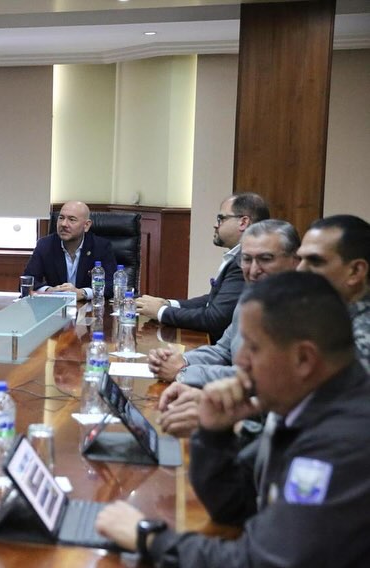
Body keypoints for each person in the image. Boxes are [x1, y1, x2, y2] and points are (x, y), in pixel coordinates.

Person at [96, 272, 370, 566]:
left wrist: (150, 538)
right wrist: (215, 434)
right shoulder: (305, 407)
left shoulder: (344, 441)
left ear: (304, 359)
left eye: (253, 348)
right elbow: (236, 507)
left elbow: (263, 561)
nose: (239, 361)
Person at [152, 220, 300, 437]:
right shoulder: (251, 298)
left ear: (295, 261)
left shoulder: (303, 311)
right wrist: (182, 360)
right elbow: (223, 350)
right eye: (247, 259)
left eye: (266, 259)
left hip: (268, 431)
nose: (253, 270)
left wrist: (183, 372)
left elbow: (258, 378)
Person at [137, 193, 269, 343]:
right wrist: (168, 304)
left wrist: (161, 312)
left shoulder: (244, 263)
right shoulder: (238, 257)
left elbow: (215, 318)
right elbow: (212, 300)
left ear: (243, 222)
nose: (215, 224)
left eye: (221, 219)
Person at [297, 214, 369, 373]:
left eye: (315, 261)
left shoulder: (361, 339)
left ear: (356, 271)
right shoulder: (332, 318)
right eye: (300, 259)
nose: (300, 270)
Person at [22, 201, 117, 302]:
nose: (64, 224)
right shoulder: (45, 245)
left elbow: (112, 285)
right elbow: (27, 282)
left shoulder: (101, 247)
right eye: (61, 218)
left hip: (88, 308)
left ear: (86, 225)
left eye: (72, 219)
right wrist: (50, 290)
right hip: (55, 306)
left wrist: (83, 293)